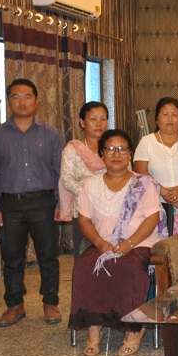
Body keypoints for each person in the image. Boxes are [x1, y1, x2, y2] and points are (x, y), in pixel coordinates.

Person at [68, 129, 165, 356]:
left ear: (130, 154)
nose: (116, 153)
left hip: (139, 243)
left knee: (129, 268)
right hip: (104, 244)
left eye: (122, 149)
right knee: (85, 267)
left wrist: (130, 243)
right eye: (110, 149)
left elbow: (153, 218)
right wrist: (100, 243)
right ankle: (94, 328)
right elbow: (84, 219)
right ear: (102, 154)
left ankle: (133, 328)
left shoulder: (144, 183)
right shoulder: (90, 185)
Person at [0, 79, 64, 327]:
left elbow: (60, 171)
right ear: (9, 101)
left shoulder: (50, 134)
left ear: (36, 101)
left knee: (48, 256)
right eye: (16, 97)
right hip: (9, 206)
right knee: (12, 258)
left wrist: (61, 203)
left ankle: (50, 303)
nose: (22, 101)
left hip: (44, 203)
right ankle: (15, 305)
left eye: (27, 96)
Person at [133, 97, 178, 234]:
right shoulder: (146, 142)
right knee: (159, 248)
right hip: (155, 202)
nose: (170, 118)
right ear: (156, 119)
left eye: (174, 114)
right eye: (165, 114)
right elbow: (141, 172)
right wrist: (163, 192)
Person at [59, 101, 108, 254]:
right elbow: (67, 179)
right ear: (82, 122)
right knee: (84, 256)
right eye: (93, 119)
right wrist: (91, 194)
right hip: (83, 209)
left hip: (112, 208)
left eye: (103, 119)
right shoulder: (73, 149)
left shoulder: (113, 147)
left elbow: (127, 175)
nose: (99, 123)